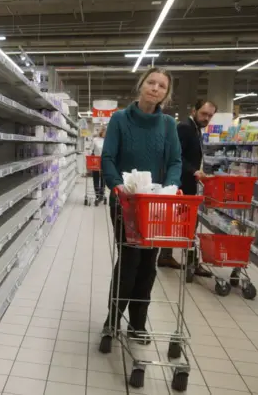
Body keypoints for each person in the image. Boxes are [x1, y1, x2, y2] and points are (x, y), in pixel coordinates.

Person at [99, 67, 182, 352]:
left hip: (156, 207)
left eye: (162, 85)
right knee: (129, 262)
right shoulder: (120, 119)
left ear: (166, 94)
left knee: (148, 265)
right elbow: (108, 157)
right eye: (151, 82)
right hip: (126, 204)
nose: (155, 88)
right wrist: (116, 186)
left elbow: (175, 161)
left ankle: (137, 324)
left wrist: (171, 188)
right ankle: (112, 322)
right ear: (142, 84)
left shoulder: (168, 125)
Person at [157, 99, 218, 278]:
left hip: (185, 184)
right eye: (203, 114)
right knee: (190, 225)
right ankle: (192, 263)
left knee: (180, 223)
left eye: (210, 115)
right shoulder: (185, 128)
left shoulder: (196, 129)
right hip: (181, 184)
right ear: (194, 110)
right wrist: (194, 171)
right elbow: (176, 156)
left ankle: (166, 256)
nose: (206, 118)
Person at [92, 127, 106, 205]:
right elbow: (91, 149)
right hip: (96, 161)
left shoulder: (107, 140)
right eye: (104, 132)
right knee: (96, 177)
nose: (105, 134)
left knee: (103, 178)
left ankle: (101, 194)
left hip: (104, 161)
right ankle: (97, 194)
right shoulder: (95, 140)